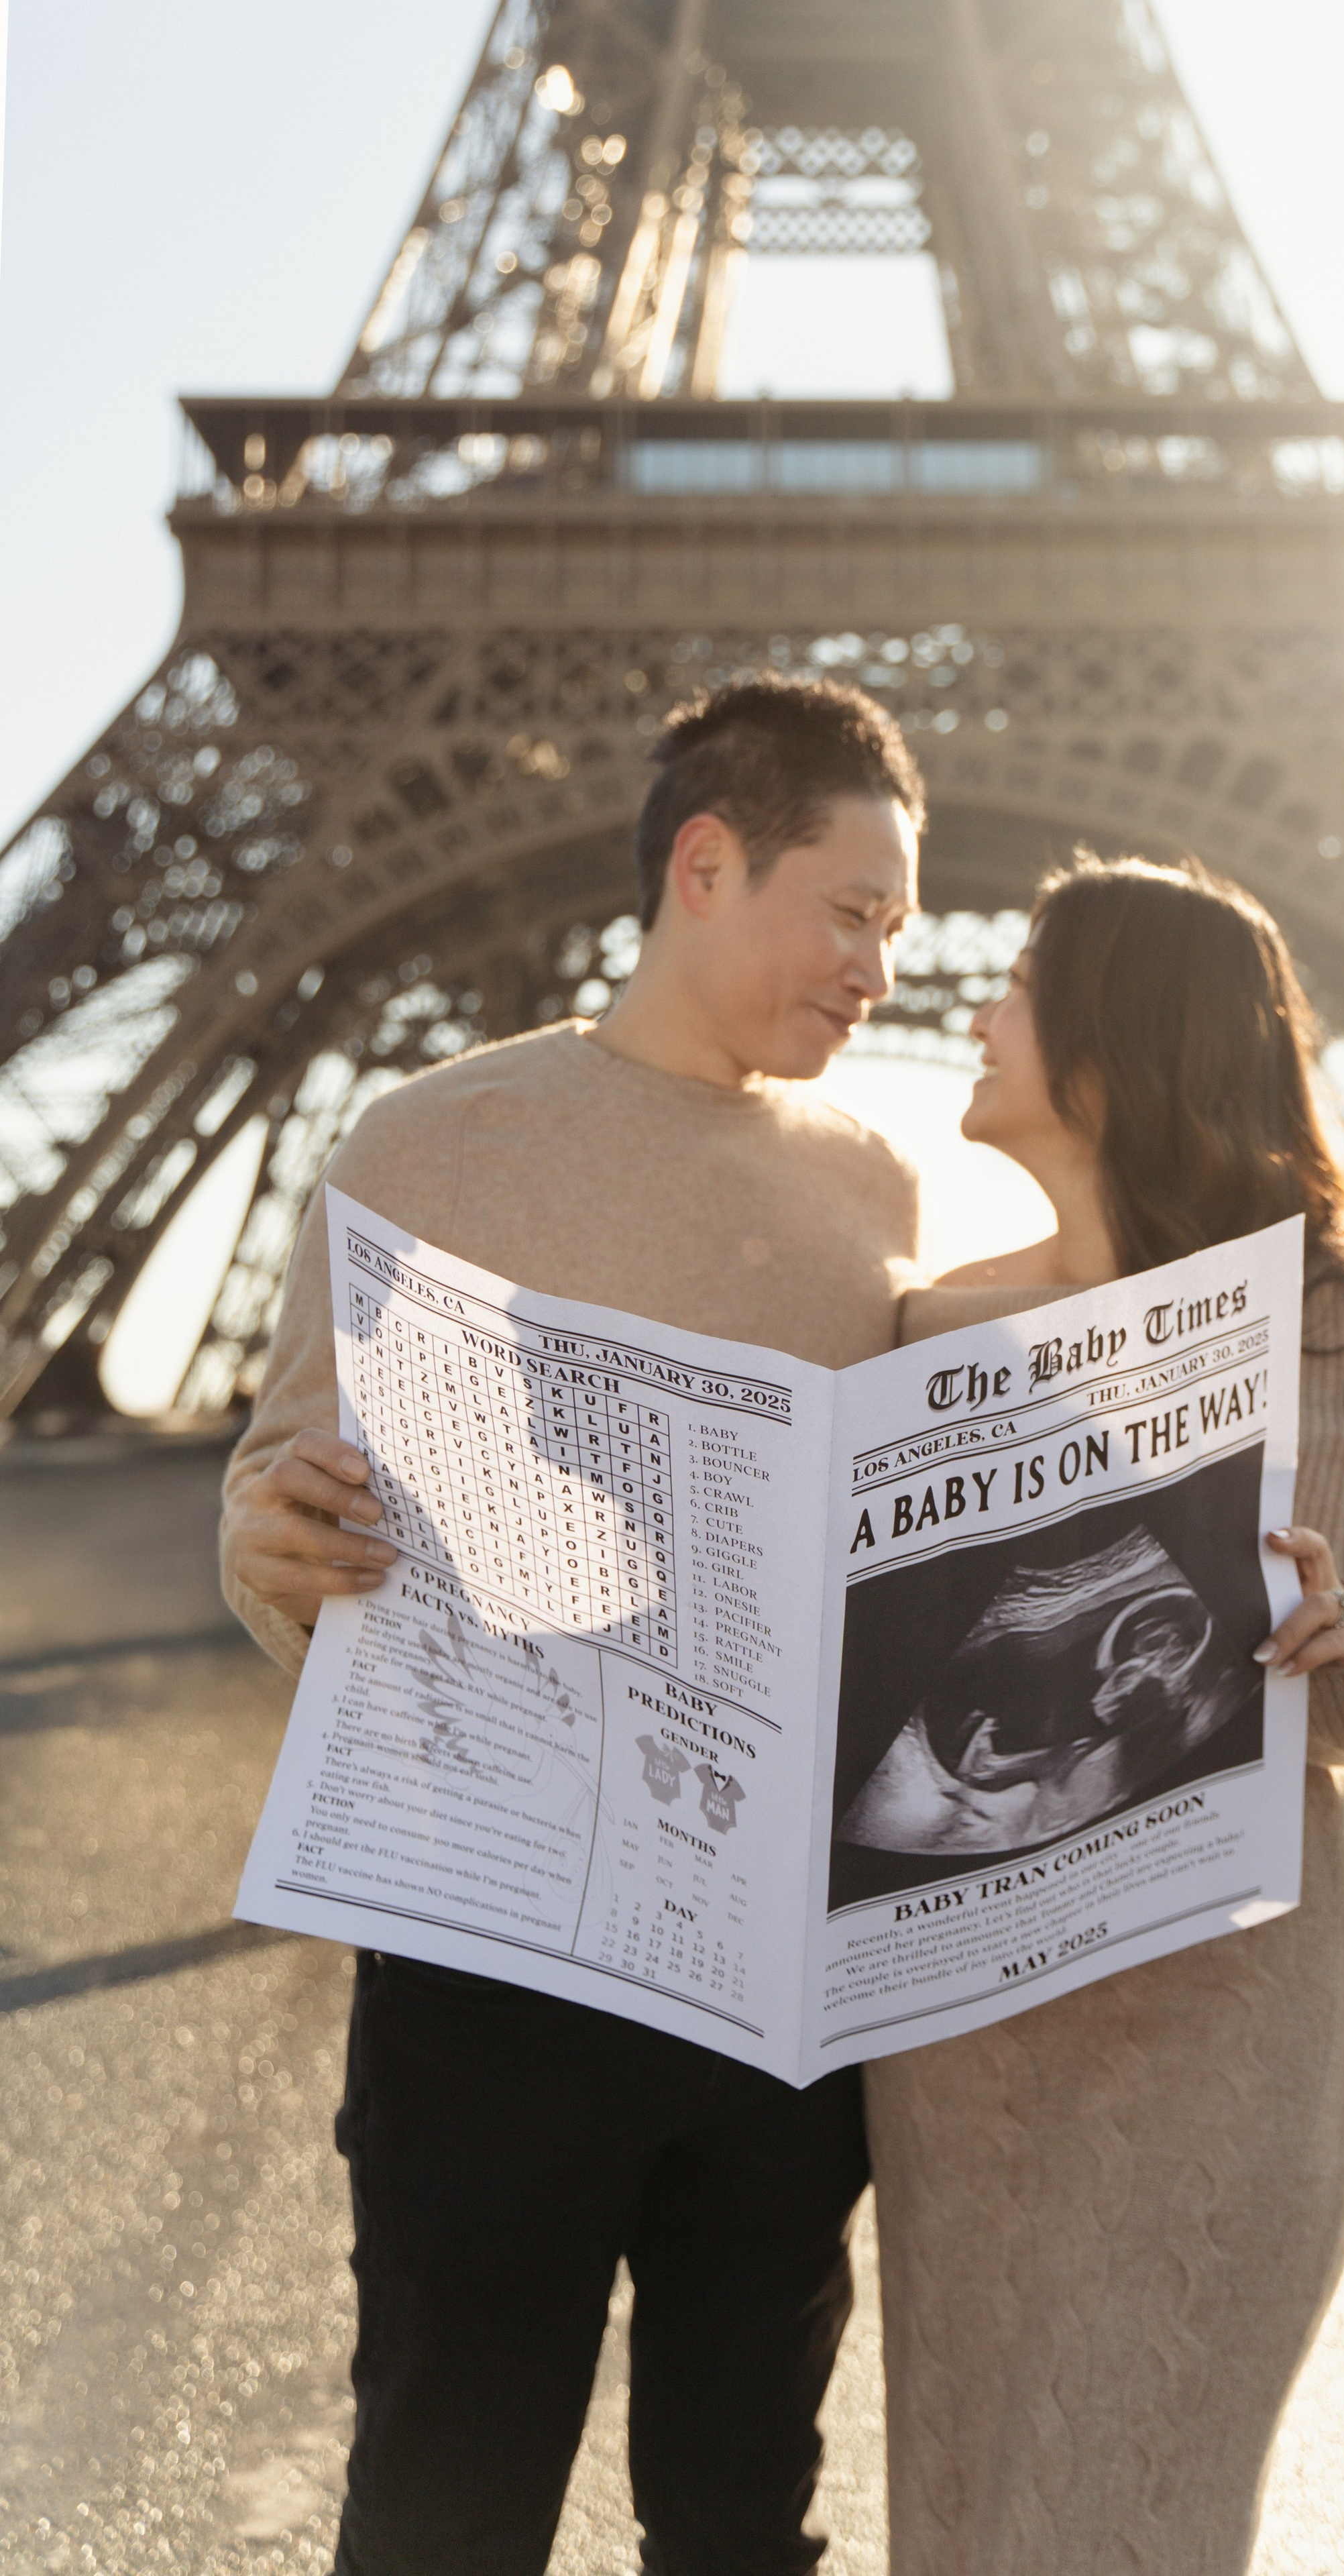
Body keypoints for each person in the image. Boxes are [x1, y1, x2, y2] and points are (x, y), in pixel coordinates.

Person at [219, 676, 925, 2576]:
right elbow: (287, 1472)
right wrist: (273, 1547)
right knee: (443, 2515)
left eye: (899, 929)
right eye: (851, 912)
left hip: (774, 1987)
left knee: (738, 2529)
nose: (878, 967)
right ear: (708, 865)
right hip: (489, 1962)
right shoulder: (437, 1142)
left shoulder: (878, 1190)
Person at [865, 853, 1344, 2576]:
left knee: (1129, 2512)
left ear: (1107, 1044)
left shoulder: (1342, 1332)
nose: (975, 1012)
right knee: (965, 2510)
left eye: (1019, 985)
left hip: (1224, 2015)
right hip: (967, 2035)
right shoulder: (932, 1330)